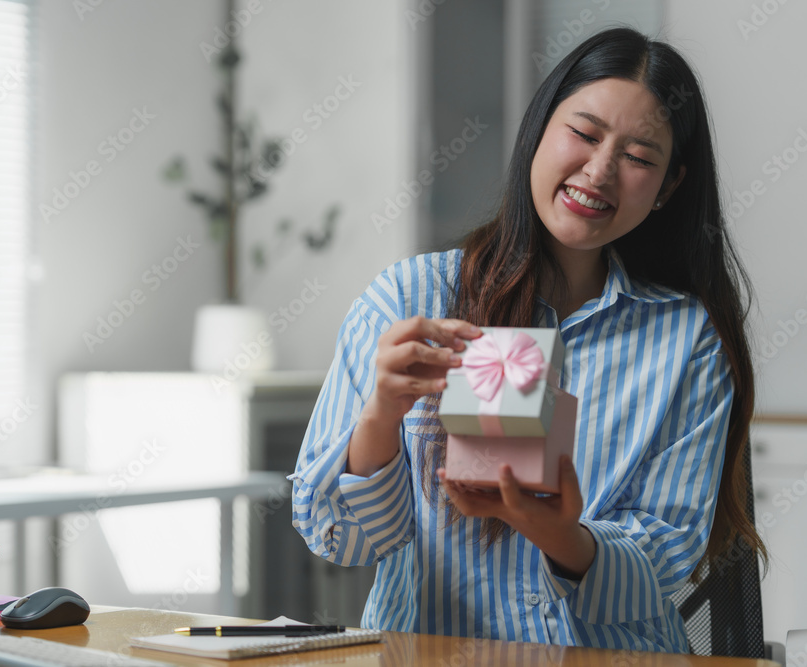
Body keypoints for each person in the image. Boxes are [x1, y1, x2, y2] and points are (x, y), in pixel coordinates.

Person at [290, 27, 766, 652]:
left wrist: (559, 534)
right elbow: (343, 540)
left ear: (667, 188)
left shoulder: (687, 338)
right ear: (538, 130)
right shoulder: (411, 301)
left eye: (639, 157)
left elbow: (668, 560)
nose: (599, 172)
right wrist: (382, 415)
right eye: (584, 133)